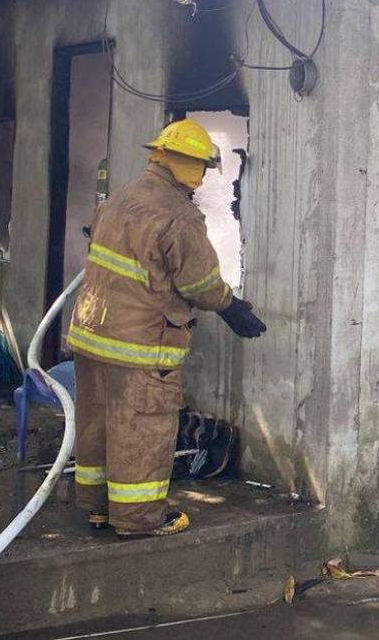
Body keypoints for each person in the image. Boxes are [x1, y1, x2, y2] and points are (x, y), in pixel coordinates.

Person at [69, 118, 268, 538]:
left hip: (92, 334)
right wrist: (234, 308)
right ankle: (139, 520)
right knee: (141, 428)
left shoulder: (121, 199)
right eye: (203, 169)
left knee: (98, 424)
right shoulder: (178, 215)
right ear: (191, 165)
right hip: (140, 344)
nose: (202, 180)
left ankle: (100, 508)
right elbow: (199, 283)